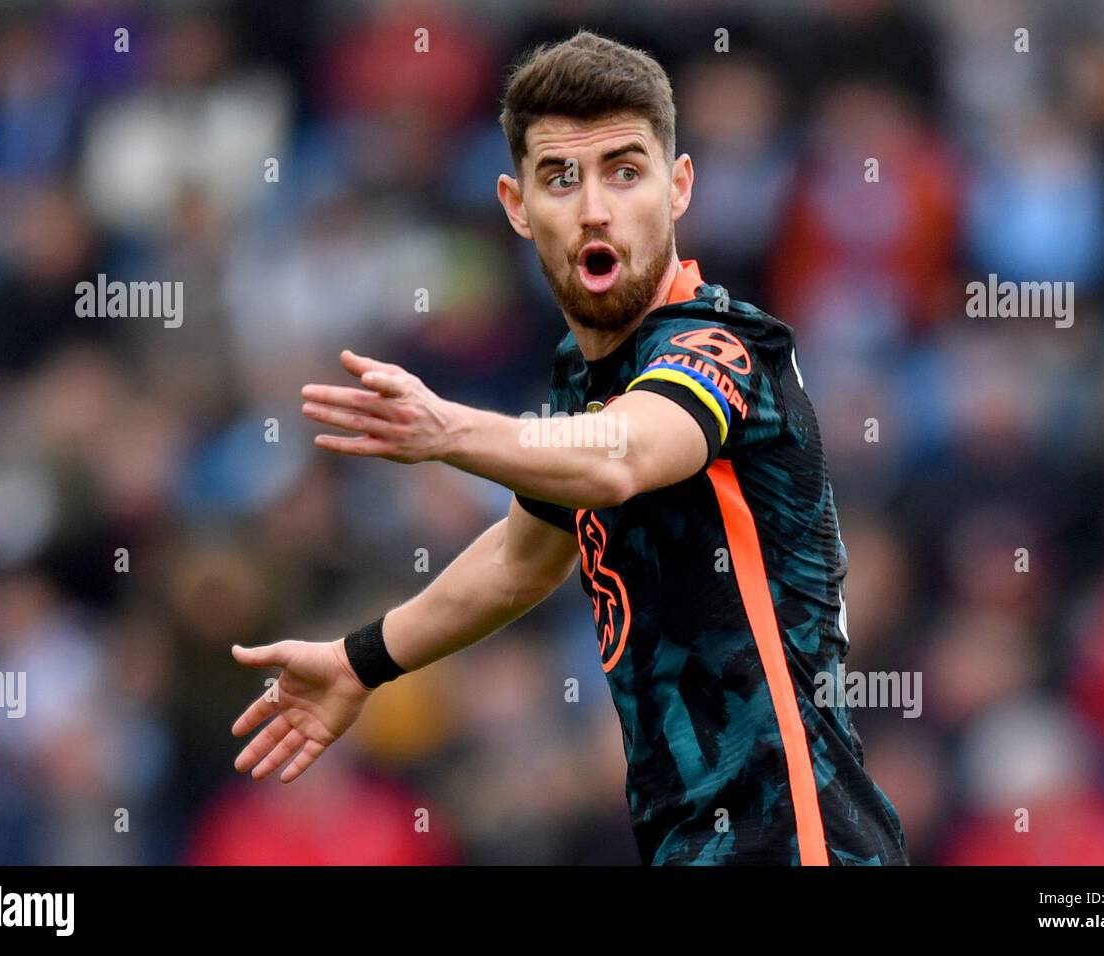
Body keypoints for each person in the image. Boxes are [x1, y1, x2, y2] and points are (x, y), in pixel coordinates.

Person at [231, 29, 908, 866]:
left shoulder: (722, 347)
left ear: (679, 186)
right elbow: (526, 556)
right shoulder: (581, 381)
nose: (595, 207)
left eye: (626, 172)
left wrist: (448, 430)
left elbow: (622, 456)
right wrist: (360, 660)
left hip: (796, 843)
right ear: (517, 205)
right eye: (561, 177)